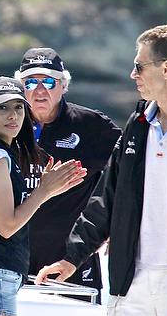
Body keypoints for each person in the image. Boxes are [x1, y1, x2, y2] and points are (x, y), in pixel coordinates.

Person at [37, 25, 167, 316]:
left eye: (139, 66)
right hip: (132, 277)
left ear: (166, 68)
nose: (132, 74)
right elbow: (108, 196)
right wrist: (73, 257)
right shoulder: (138, 125)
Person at [0, 76, 85, 316]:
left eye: (18, 107)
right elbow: (7, 226)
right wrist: (44, 190)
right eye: (2, 107)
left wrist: (46, 191)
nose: (13, 115)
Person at [14, 48, 121, 301]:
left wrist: (117, 225)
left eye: (49, 82)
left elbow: (130, 174)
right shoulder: (7, 122)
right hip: (14, 256)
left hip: (71, 259)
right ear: (20, 87)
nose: (40, 90)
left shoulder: (91, 126)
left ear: (63, 85)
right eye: (31, 82)